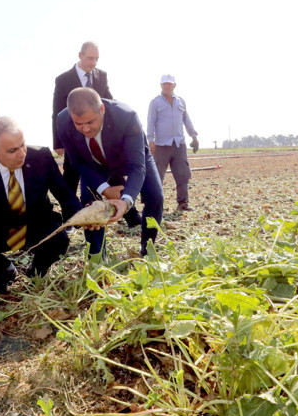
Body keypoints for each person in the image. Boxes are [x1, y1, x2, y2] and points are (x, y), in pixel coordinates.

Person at [0, 117, 82, 305]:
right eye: (12, 150)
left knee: (59, 240)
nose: (22, 154)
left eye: (23, 145)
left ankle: (37, 271)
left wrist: (81, 217)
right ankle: (3, 268)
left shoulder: (41, 156)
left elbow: (64, 193)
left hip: (37, 224)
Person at [57, 88, 163, 257]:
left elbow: (137, 167)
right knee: (89, 201)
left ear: (102, 109)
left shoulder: (126, 116)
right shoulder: (63, 121)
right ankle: (97, 257)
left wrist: (125, 201)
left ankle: (147, 251)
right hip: (93, 163)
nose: (85, 129)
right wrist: (105, 189)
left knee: (155, 197)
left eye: (90, 122)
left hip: (130, 158)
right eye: (78, 124)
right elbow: (77, 162)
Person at [51, 41, 141, 227]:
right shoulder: (63, 79)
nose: (93, 63)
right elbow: (57, 111)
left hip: (101, 138)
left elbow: (110, 101)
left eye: (96, 59)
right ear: (80, 55)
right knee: (71, 176)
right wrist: (57, 142)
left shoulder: (101, 76)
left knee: (114, 175)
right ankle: (71, 219)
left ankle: (131, 216)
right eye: (90, 58)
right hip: (75, 138)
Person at [147, 74, 199, 211]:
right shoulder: (155, 102)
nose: (167, 86)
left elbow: (186, 120)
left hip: (179, 144)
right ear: (161, 85)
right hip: (161, 145)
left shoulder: (181, 101)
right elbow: (150, 122)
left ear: (174, 85)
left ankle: (183, 203)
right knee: (157, 176)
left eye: (169, 84)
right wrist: (150, 141)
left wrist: (193, 136)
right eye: (165, 84)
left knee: (183, 174)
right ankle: (155, 205)